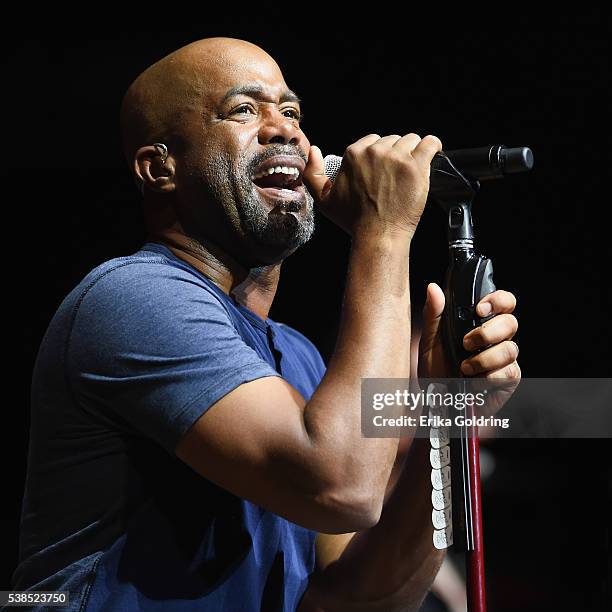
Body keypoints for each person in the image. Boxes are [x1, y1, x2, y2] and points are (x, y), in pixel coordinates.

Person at [14, 38, 520, 611]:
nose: (285, 131)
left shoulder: (298, 359)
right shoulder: (132, 298)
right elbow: (341, 486)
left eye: (292, 111)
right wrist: (383, 231)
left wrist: (446, 412)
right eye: (244, 110)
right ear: (160, 168)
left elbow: (361, 598)